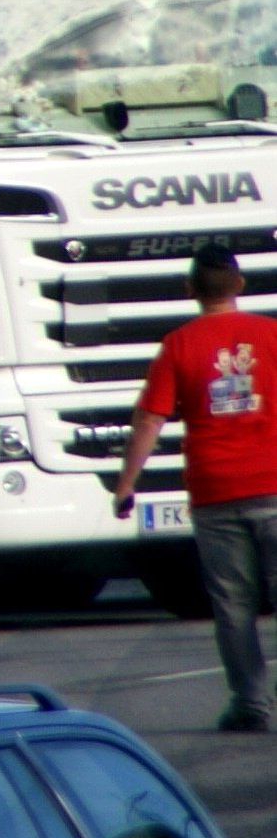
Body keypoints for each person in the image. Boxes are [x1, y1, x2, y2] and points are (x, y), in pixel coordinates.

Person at [115, 245, 277, 731]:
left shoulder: (178, 346)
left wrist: (127, 484)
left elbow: (150, 420)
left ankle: (251, 703)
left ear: (190, 289)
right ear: (240, 285)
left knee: (233, 605)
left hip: (215, 491)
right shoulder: (270, 335)